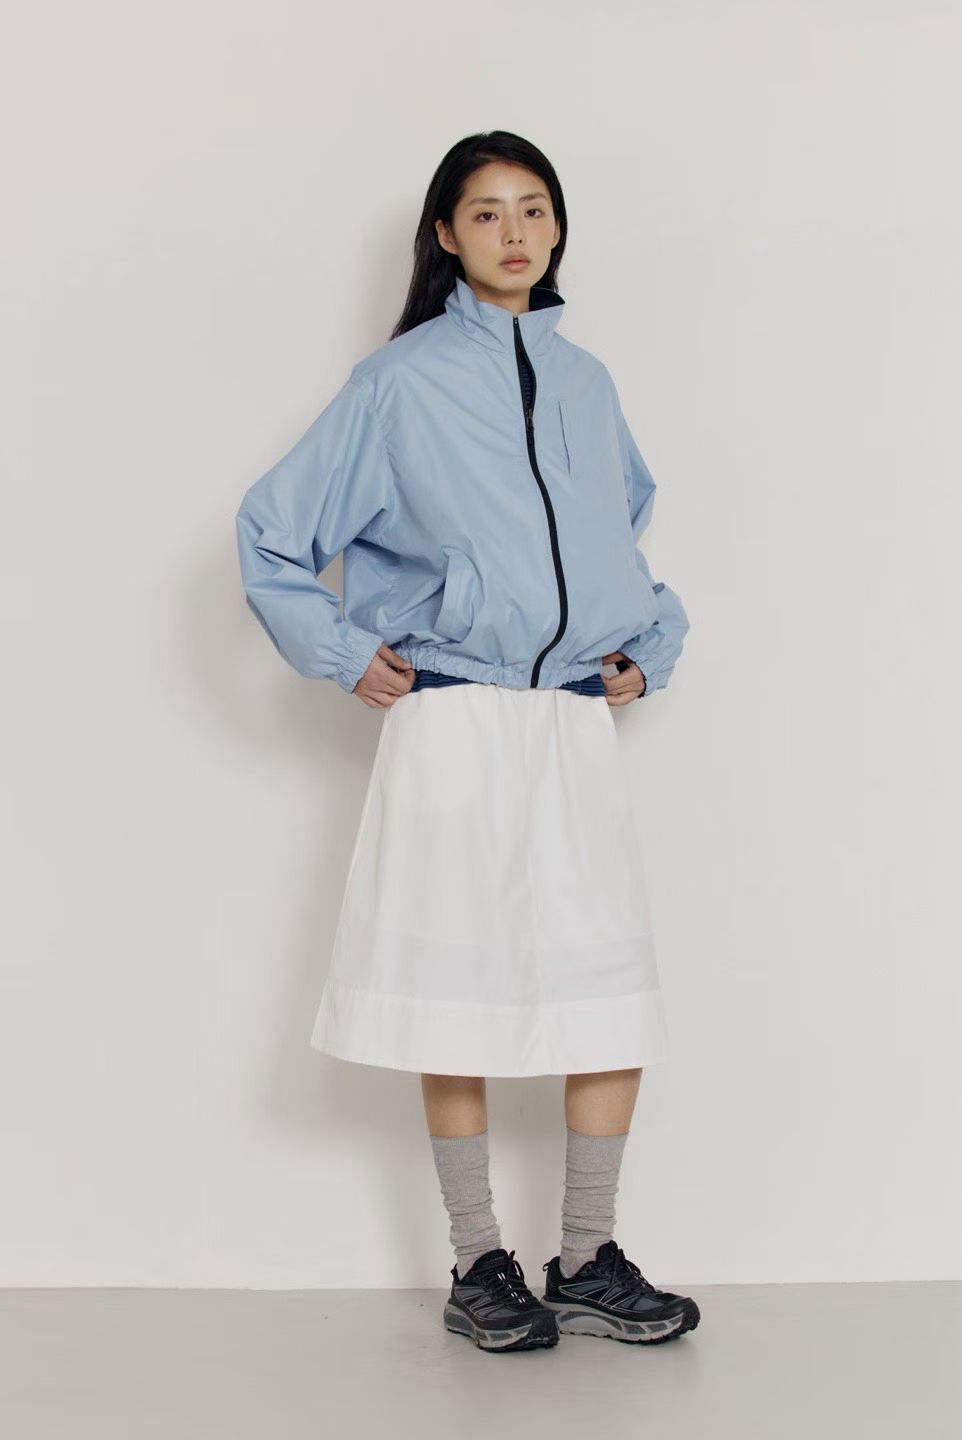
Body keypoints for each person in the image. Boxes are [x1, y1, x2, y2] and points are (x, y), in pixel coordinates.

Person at [234, 130, 699, 1353]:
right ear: (444, 234)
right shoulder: (397, 383)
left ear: (556, 228)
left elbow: (617, 541)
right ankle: (476, 1258)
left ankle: (586, 1258)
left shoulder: (587, 383)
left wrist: (649, 642)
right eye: (485, 211)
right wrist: (343, 651)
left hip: (569, 721)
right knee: (454, 996)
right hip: (451, 716)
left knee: (605, 996)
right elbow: (271, 533)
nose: (512, 231)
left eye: (532, 208)